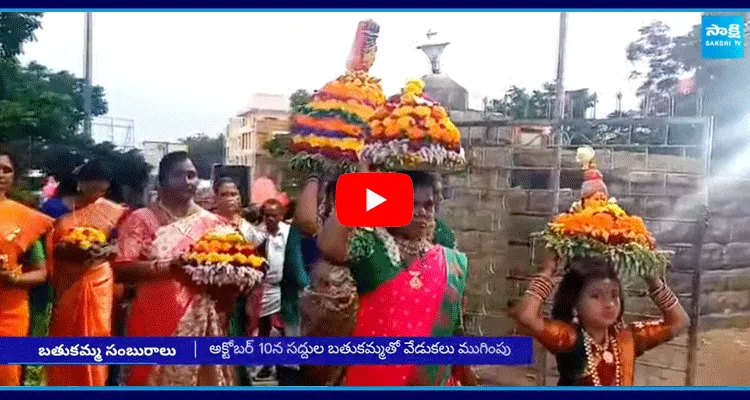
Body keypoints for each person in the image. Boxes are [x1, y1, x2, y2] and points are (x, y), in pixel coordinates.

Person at [317, 170, 477, 386]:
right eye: (412, 204)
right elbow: (329, 246)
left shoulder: (450, 261)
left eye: (428, 205)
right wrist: (362, 188)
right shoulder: (373, 248)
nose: (421, 212)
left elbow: (454, 332)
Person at [113, 151, 237, 386]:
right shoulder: (142, 220)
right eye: (179, 175)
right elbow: (121, 269)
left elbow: (232, 272)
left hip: (204, 320)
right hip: (153, 316)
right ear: (161, 182)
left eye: (192, 175)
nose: (188, 182)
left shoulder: (215, 224)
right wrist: (168, 267)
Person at [513, 255, 689, 386]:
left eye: (614, 295)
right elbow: (527, 317)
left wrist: (654, 282)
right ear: (575, 303)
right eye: (596, 296)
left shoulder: (627, 339)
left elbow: (679, 323)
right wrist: (547, 272)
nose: (610, 304)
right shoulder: (568, 338)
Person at [46, 159, 126, 386]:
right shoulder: (54, 209)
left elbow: (119, 245)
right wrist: (67, 248)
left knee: (98, 336)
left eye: (103, 189)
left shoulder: (113, 211)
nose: (98, 194)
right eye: (94, 187)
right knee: (64, 336)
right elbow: (43, 244)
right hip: (64, 283)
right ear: (80, 184)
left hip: (99, 282)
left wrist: (105, 249)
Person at [0, 149, 54, 386]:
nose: (1, 174)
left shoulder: (27, 218)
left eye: (7, 170)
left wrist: (13, 279)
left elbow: (41, 272)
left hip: (9, 312)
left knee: (7, 376)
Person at [212, 177, 254, 386]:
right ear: (215, 198)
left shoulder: (251, 231)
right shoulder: (208, 227)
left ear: (240, 198)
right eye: (224, 194)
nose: (229, 199)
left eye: (233, 194)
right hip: (214, 298)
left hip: (243, 298)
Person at [253, 198, 290, 382]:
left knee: (286, 328)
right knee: (264, 328)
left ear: (281, 216)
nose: (270, 219)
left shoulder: (290, 233)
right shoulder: (257, 234)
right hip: (265, 288)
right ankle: (267, 364)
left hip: (287, 287)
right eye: (266, 215)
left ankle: (284, 365)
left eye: (274, 216)